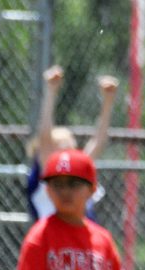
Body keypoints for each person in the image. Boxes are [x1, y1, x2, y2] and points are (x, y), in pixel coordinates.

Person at [26, 64, 119, 222]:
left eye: (70, 145)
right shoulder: (47, 171)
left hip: (80, 241)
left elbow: (99, 141)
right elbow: (45, 137)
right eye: (60, 145)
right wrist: (51, 90)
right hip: (55, 241)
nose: (67, 151)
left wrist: (108, 101)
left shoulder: (78, 171)